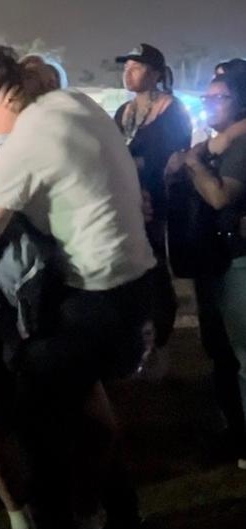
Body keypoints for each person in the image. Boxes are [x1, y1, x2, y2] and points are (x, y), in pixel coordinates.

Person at [0, 43, 156, 529]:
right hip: (139, 288)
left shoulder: (25, 143)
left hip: (93, 299)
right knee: (86, 411)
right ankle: (122, 520)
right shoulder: (77, 104)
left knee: (36, 425)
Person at [166, 71, 246, 468]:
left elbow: (219, 197)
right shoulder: (219, 143)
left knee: (240, 354)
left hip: (235, 258)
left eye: (220, 98)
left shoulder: (239, 145)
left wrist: (194, 163)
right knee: (222, 351)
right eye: (207, 97)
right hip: (214, 259)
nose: (210, 104)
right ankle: (235, 432)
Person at [114, 44, 192, 377]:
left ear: (156, 73)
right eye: (126, 67)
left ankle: (160, 341)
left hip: (159, 203)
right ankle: (136, 340)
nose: (128, 72)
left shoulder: (172, 110)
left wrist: (132, 165)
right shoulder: (124, 111)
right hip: (127, 201)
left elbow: (172, 157)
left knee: (156, 268)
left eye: (136, 67)